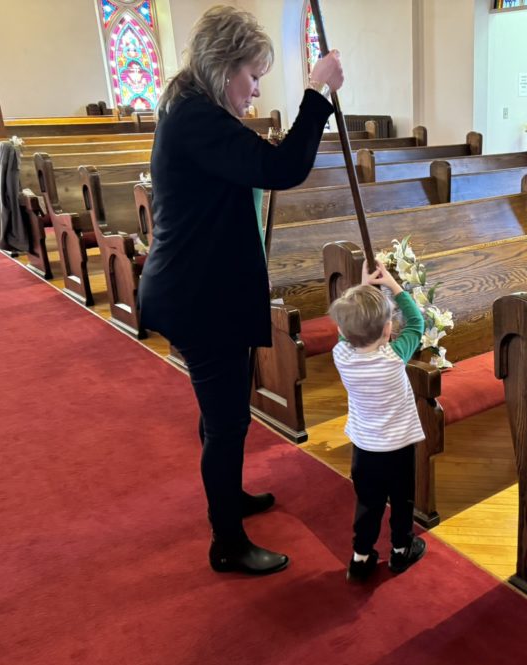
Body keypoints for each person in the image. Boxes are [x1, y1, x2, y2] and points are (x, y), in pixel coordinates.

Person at [138, 6, 343, 575]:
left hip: (204, 291)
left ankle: (229, 499)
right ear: (223, 65)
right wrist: (317, 94)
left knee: (222, 416)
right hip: (198, 299)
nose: (255, 90)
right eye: (252, 75)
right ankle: (226, 542)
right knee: (228, 422)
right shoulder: (195, 118)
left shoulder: (192, 108)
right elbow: (281, 169)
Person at [328, 265, 429, 582]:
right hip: (398, 450)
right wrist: (394, 286)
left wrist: (363, 290)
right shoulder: (395, 357)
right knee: (402, 501)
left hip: (364, 448)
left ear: (344, 331)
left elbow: (351, 327)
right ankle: (401, 550)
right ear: (388, 330)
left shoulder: (340, 354)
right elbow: (417, 322)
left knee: (368, 504)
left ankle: (360, 557)